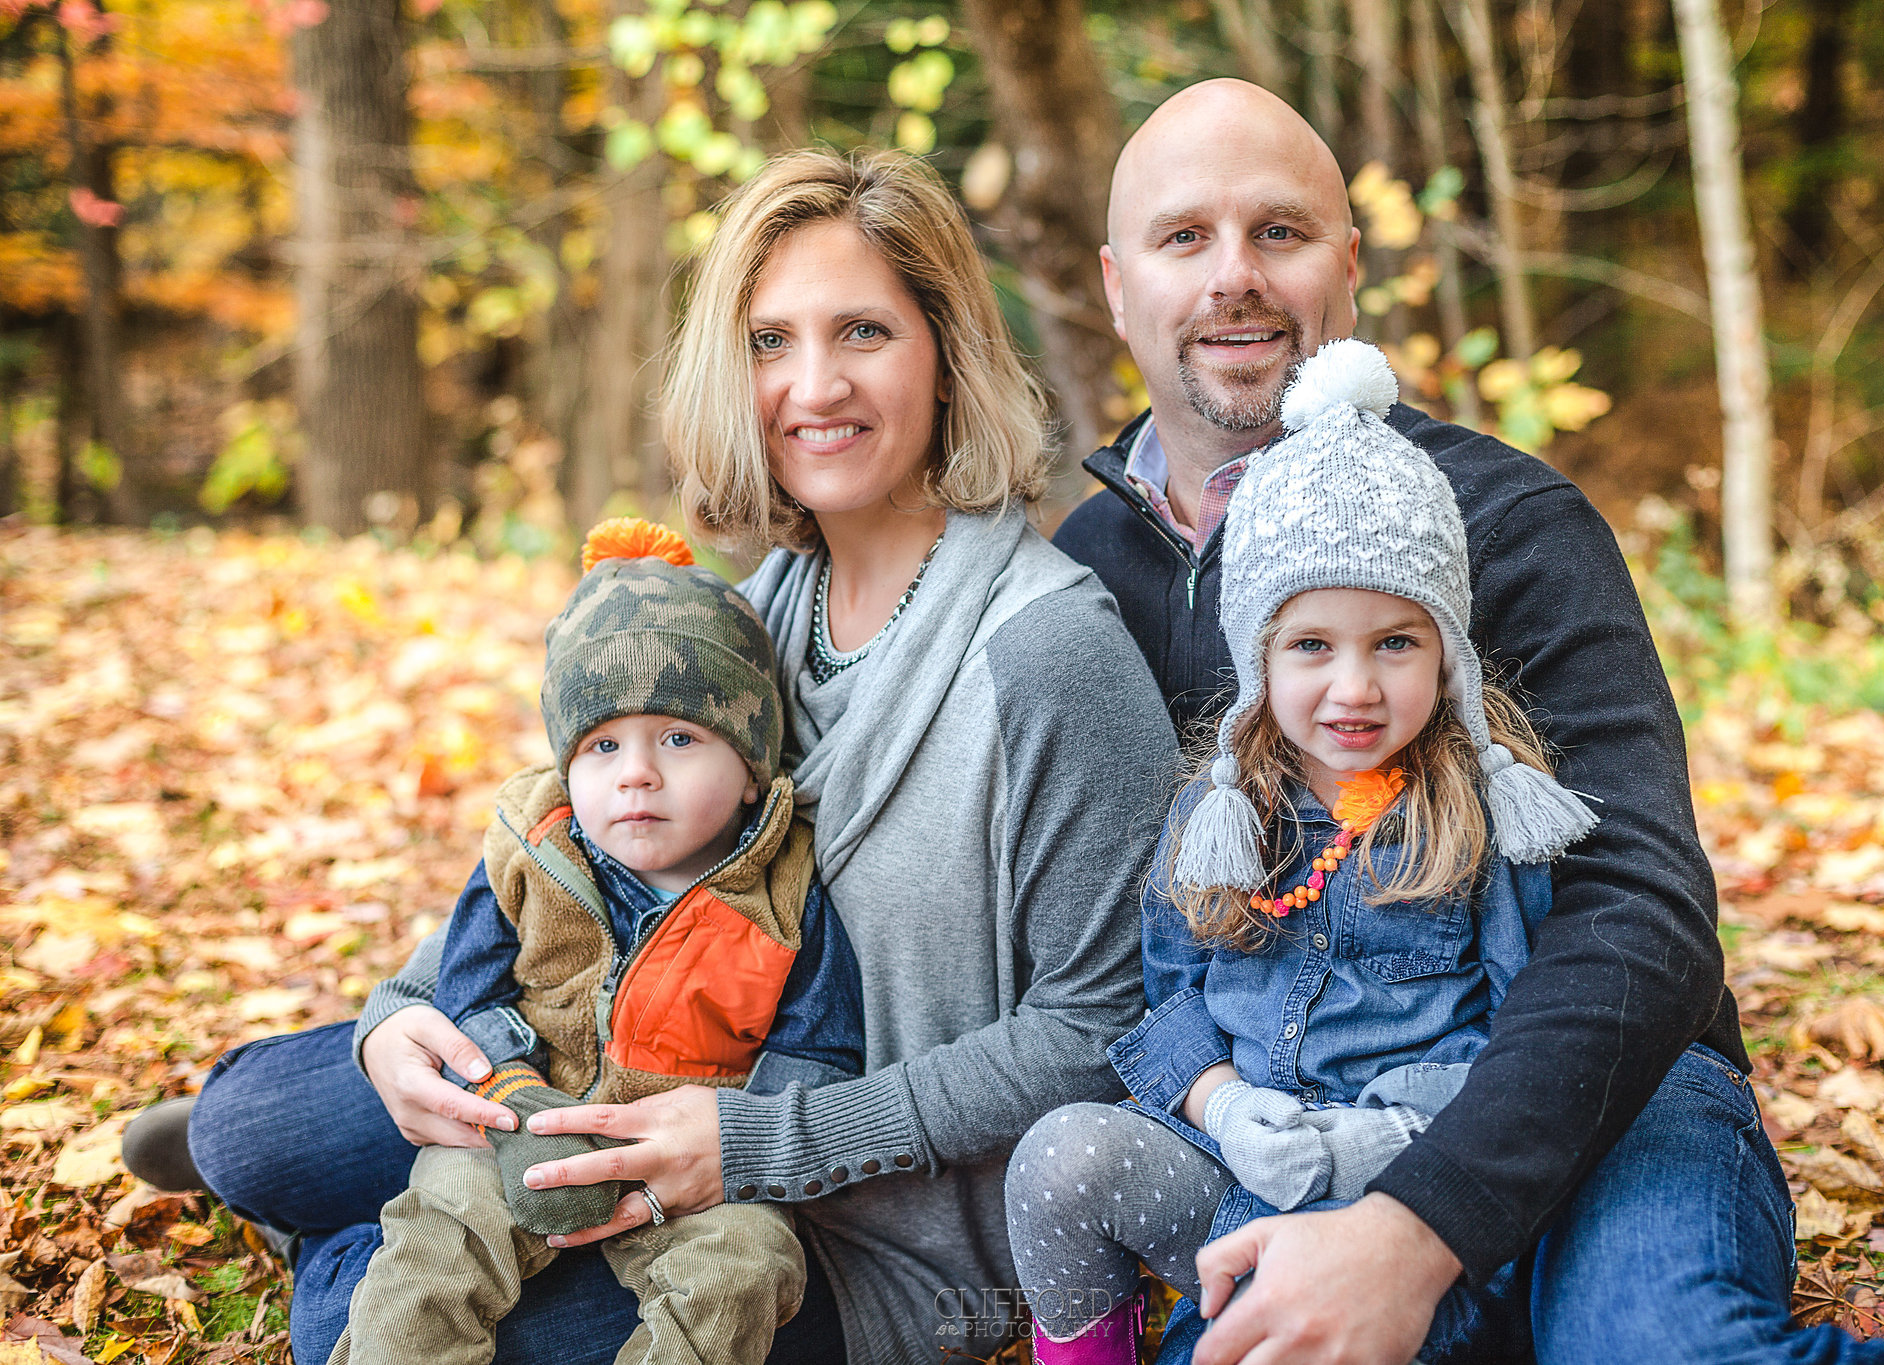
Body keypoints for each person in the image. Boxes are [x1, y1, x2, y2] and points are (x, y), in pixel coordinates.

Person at [163, 148, 1178, 1365]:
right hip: (600, 1071)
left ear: (947, 353)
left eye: (862, 331)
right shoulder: (754, 611)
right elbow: (575, 831)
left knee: (352, 1318)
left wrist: (758, 1144)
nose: (813, 384)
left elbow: (1101, 1031)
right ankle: (350, 1197)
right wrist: (407, 1014)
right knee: (241, 1130)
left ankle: (346, 1242)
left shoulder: (1051, 652)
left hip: (842, 1234)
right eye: (768, 342)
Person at [1051, 78, 1884, 1365]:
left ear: (1347, 266)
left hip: (1595, 1094)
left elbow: (1643, 912)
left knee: (1661, 1350)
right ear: (1118, 284)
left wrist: (1421, 1224)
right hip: (1284, 1127)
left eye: (1279, 233)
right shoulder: (1088, 570)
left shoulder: (1507, 521)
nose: (1233, 276)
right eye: (1185, 238)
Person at [1009, 339, 1598, 1362]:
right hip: (1239, 1182)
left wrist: (1392, 1140)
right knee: (1064, 1159)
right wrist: (1226, 1108)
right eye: (1312, 646)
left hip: (1409, 1210)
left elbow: (1528, 1041)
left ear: (1447, 654)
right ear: (1258, 658)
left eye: (1395, 642)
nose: (1353, 687)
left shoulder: (1475, 822)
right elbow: (1170, 1002)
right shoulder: (1217, 818)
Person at [327, 517, 864, 1365]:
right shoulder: (536, 851)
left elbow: (820, 1045)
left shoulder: (784, 892)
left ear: (754, 764)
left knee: (747, 1269)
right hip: (520, 1121)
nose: (636, 773)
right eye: (603, 744)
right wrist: (510, 1087)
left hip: (686, 1160)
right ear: (567, 763)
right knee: (432, 1251)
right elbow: (468, 982)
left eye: (680, 739)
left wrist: (743, 1132)